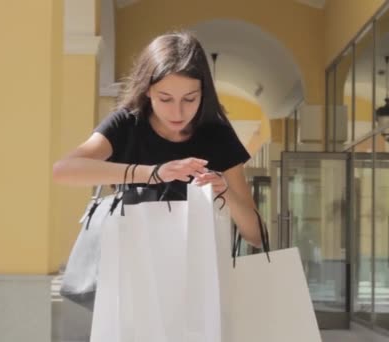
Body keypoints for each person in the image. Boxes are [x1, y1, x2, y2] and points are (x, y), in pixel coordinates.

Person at [52, 31, 262, 247]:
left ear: (203, 93)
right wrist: (152, 173)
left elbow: (256, 236)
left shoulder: (217, 134)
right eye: (165, 99)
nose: (178, 113)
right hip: (130, 270)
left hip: (198, 274)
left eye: (190, 99)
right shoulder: (127, 124)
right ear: (147, 91)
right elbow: (64, 170)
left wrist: (225, 191)